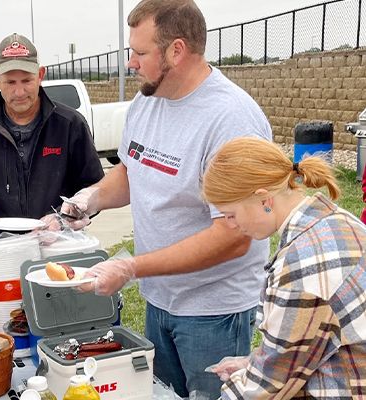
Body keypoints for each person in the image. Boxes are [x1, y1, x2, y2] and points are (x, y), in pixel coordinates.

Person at [69, 1, 273, 397]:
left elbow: (234, 235)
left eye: (141, 53)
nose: (131, 63)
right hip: (159, 299)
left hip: (213, 309)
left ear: (176, 50)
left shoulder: (230, 119)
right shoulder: (148, 99)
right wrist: (89, 199)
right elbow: (131, 170)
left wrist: (131, 267)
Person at [200, 137, 366, 398]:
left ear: (263, 199)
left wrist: (249, 378)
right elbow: (309, 340)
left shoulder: (301, 264)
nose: (230, 225)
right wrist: (252, 364)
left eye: (231, 214)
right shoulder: (339, 220)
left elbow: (267, 387)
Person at [0, 32, 104, 238]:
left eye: (27, 80)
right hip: (4, 248)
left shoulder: (70, 124)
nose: (20, 92)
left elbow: (94, 188)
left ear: (41, 75)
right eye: (10, 82)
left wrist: (64, 218)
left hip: (62, 243)